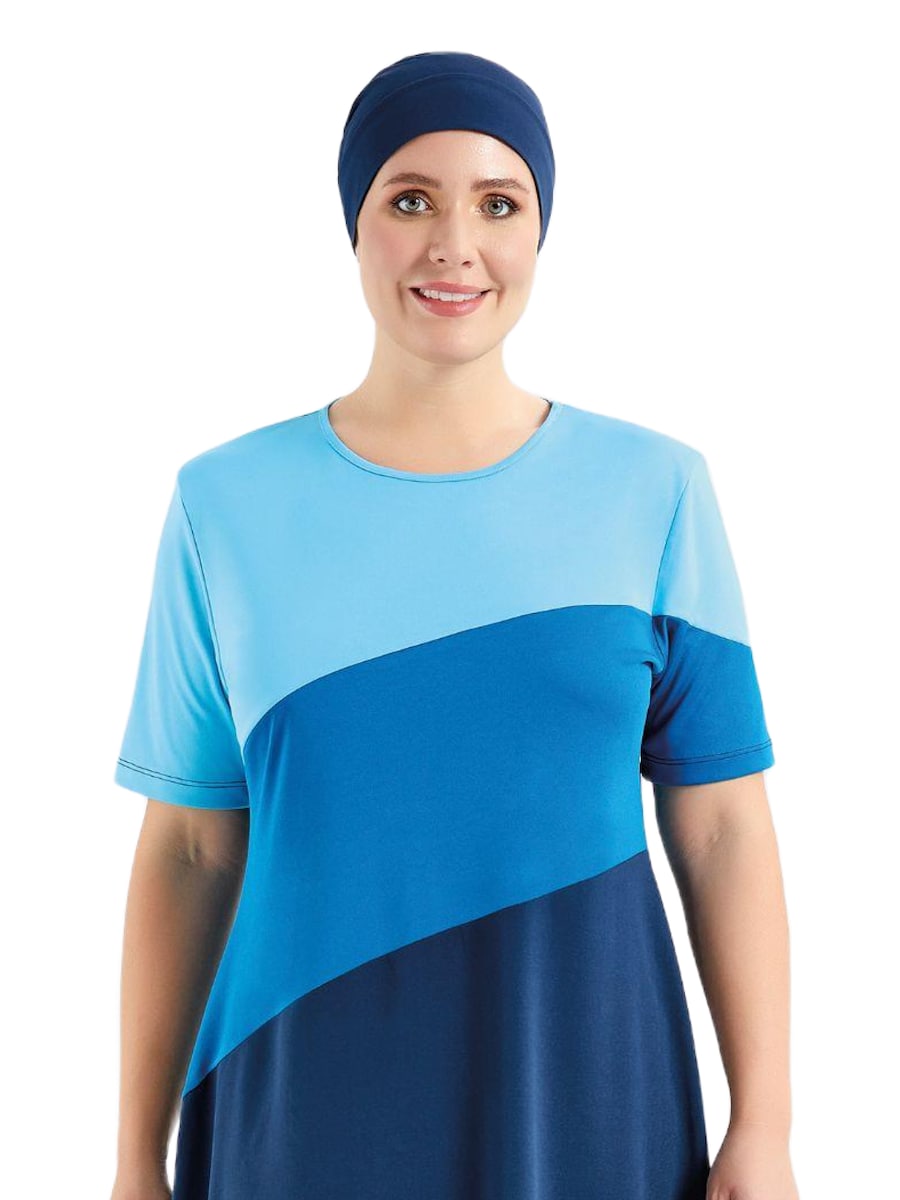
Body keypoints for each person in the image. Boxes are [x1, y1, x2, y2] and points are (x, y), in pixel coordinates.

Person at [110, 50, 798, 1200]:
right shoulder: (223, 506)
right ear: (356, 223)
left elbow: (724, 823)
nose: (454, 245)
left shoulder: (656, 491)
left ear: (541, 230)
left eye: (499, 204)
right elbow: (189, 846)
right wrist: (135, 1159)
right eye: (411, 200)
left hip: (582, 1100)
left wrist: (764, 1125)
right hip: (300, 1108)